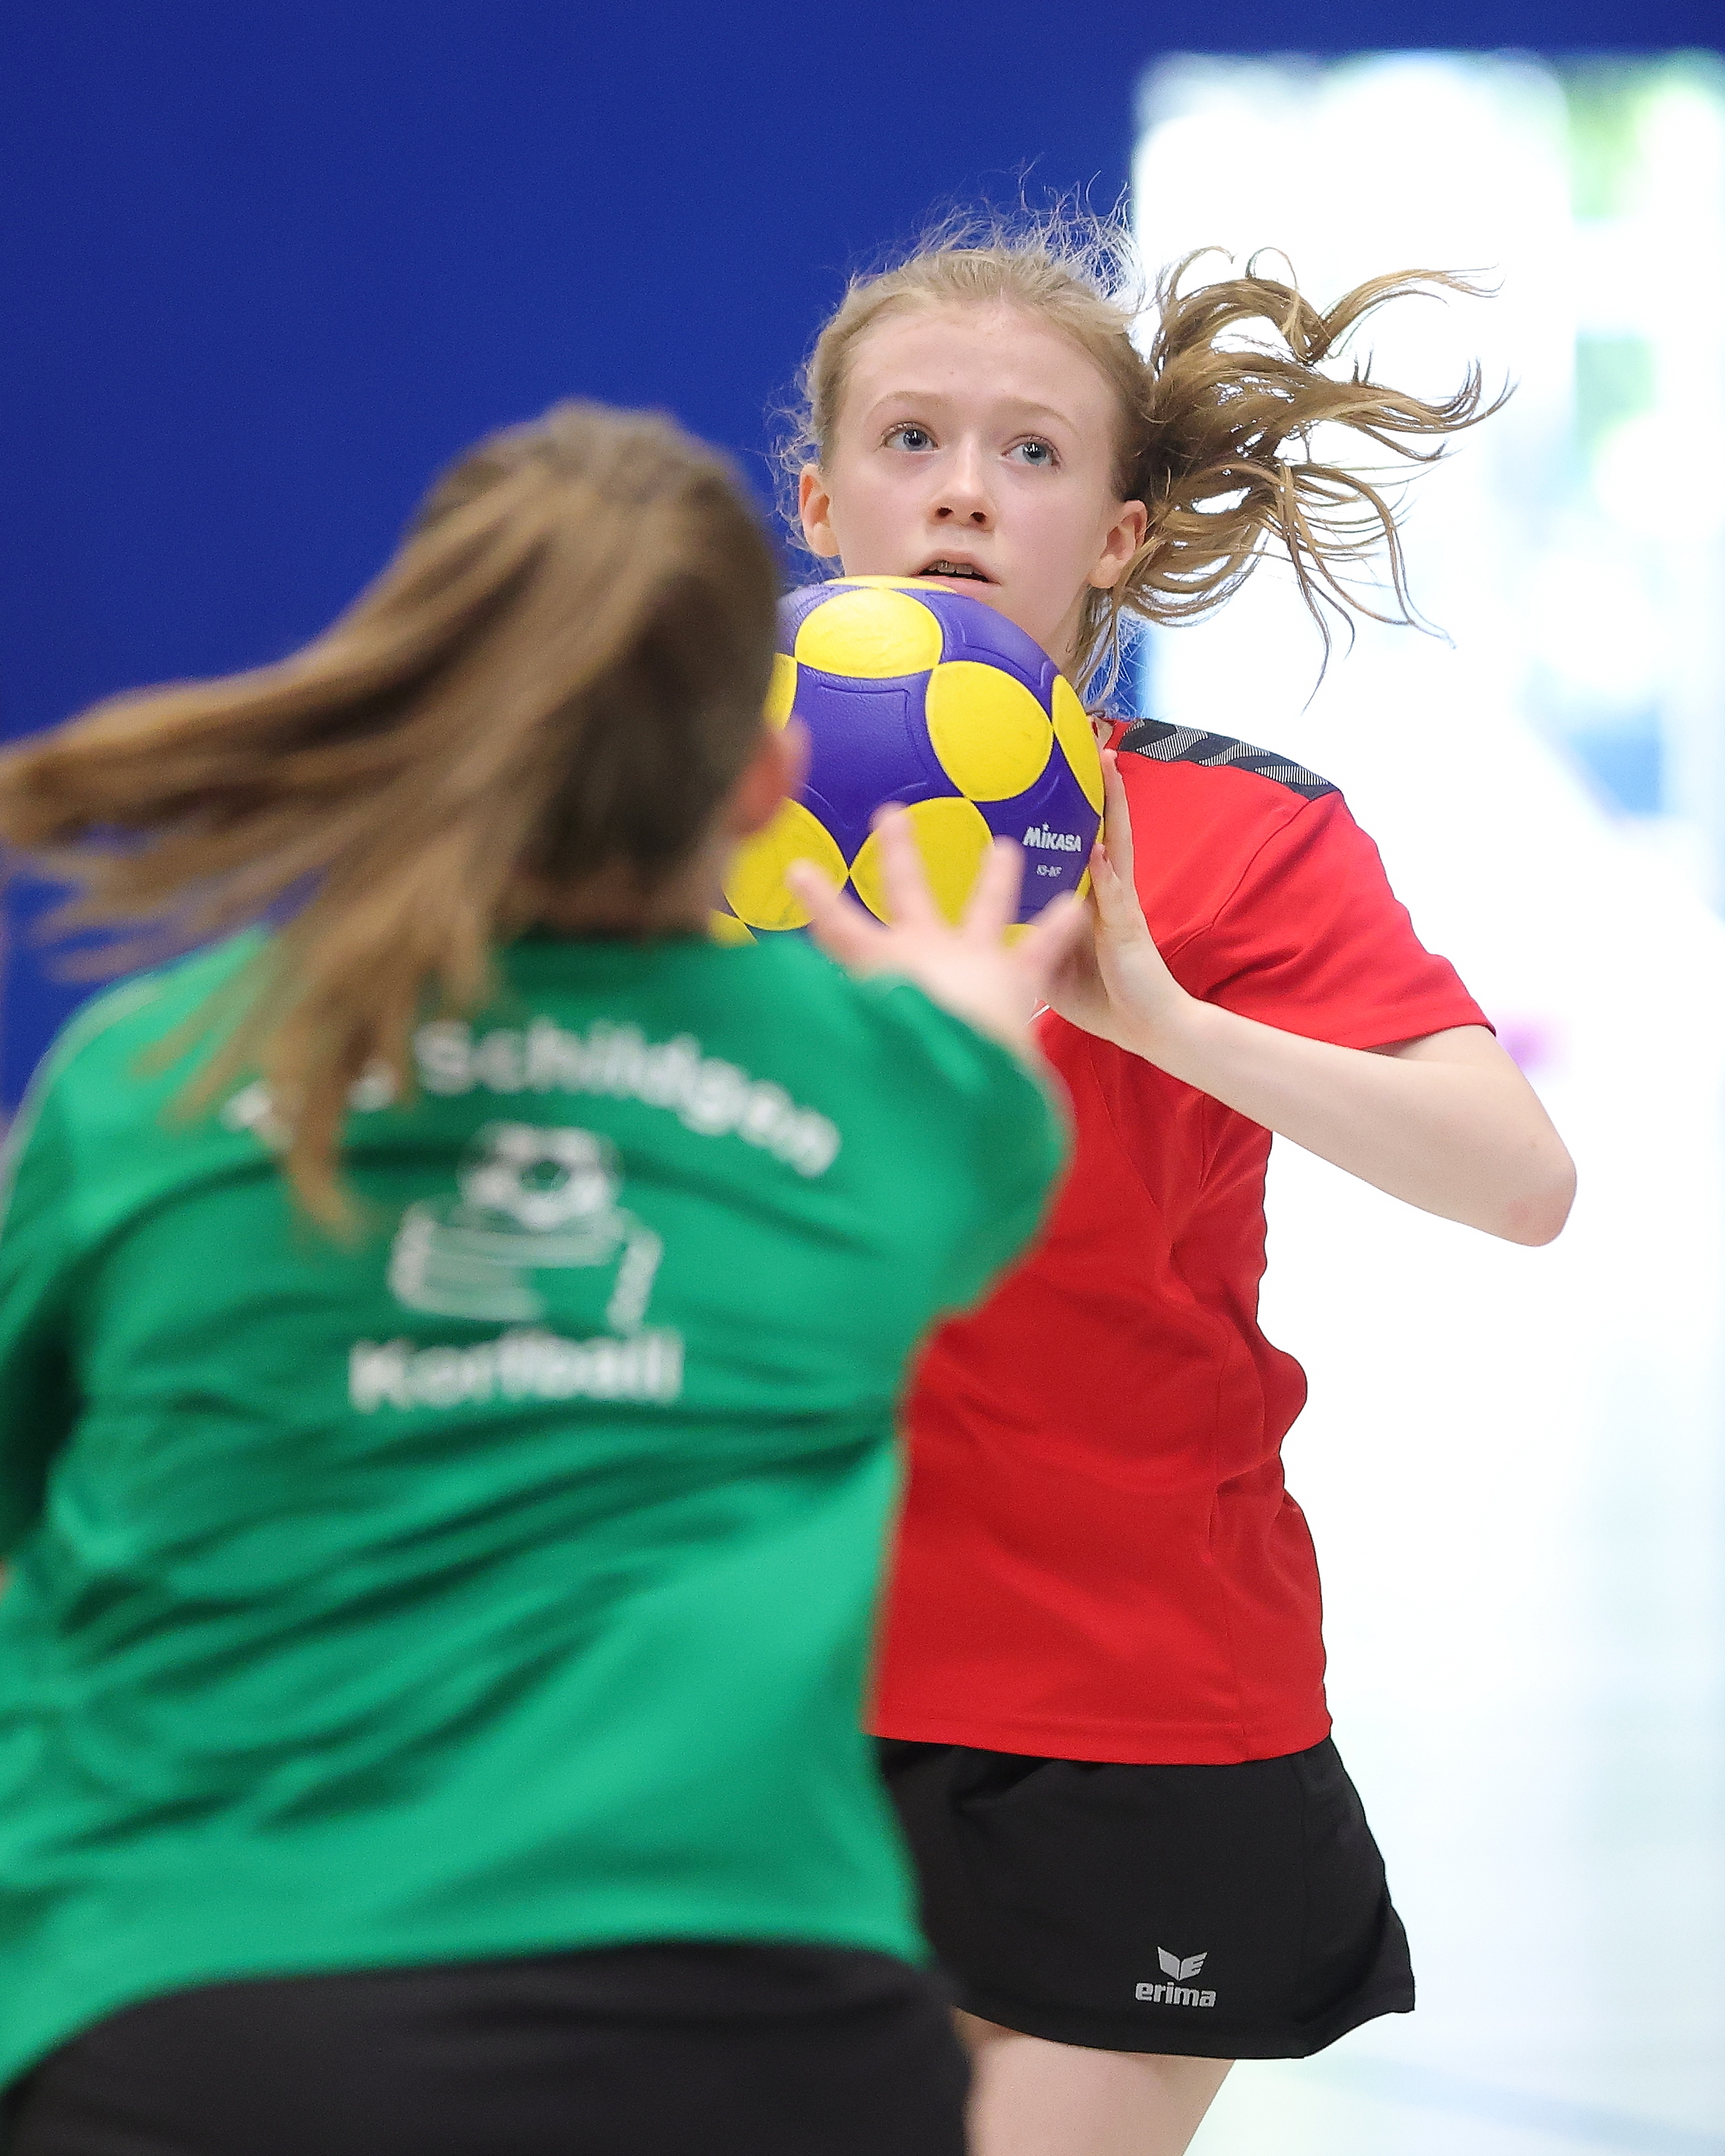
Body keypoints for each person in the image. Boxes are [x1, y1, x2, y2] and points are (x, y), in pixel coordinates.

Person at [0, 400, 1087, 2156]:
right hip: (758, 2039)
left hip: (202, 2017)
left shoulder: (148, 1083)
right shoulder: (902, 1098)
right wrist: (962, 1012)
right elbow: (985, 1108)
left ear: (414, 713)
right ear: (763, 782)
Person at [789, 212, 1578, 2155]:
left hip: (1128, 1700)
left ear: (1117, 537)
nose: (963, 490)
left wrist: (1146, 1013)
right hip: (758, 1689)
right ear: (819, 501)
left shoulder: (1237, 832)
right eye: (910, 440)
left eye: (1031, 451)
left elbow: (1516, 1179)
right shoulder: (693, 827)